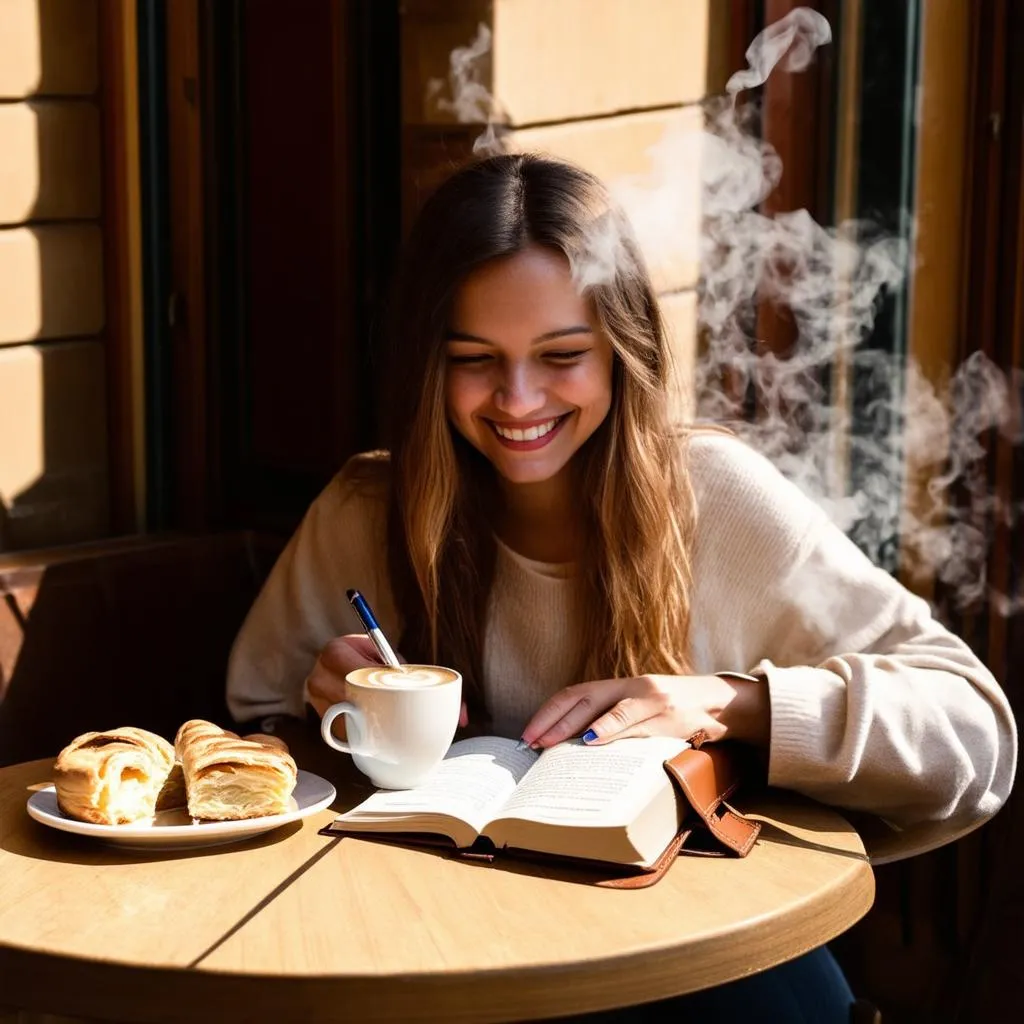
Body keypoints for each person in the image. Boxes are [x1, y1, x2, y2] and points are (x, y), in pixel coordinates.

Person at [226, 153, 1016, 1021]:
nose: (517, 399)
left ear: (622, 351)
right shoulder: (364, 510)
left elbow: (974, 730)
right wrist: (317, 710)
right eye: (473, 359)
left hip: (687, 960)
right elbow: (249, 724)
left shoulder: (716, 497)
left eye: (563, 354)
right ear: (425, 364)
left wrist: (731, 704)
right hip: (440, 952)